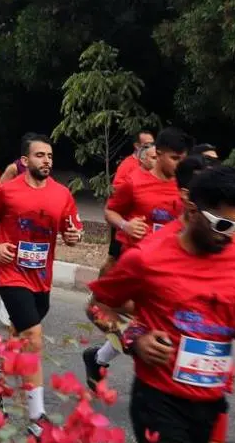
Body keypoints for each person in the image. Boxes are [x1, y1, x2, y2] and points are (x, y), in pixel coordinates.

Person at [87, 166, 235, 443]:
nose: (230, 236)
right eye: (222, 224)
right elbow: (96, 305)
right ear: (192, 211)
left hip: (211, 391)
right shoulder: (147, 257)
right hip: (159, 397)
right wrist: (134, 338)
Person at [0, 135, 82, 434]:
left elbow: (72, 231)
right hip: (12, 274)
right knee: (33, 337)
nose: (46, 160)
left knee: (18, 337)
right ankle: (37, 418)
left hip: (42, 278)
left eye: (49, 156)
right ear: (24, 161)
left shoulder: (62, 194)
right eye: (39, 155)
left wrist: (73, 237)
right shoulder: (7, 191)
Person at [83, 154, 215, 389]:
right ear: (186, 196)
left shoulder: (226, 244)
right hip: (138, 276)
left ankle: (99, 358)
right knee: (146, 322)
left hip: (196, 381)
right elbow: (97, 307)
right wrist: (135, 340)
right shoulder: (152, 247)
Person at [103, 127, 190, 273]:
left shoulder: (187, 186)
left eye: (183, 159)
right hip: (136, 263)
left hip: (169, 263)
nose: (180, 165)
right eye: (174, 158)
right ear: (158, 154)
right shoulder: (133, 182)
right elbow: (109, 212)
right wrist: (125, 225)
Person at [97, 129, 158, 273]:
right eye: (147, 145)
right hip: (123, 223)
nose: (151, 147)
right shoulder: (127, 166)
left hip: (143, 227)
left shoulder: (155, 168)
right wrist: (124, 223)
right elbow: (116, 195)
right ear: (137, 146)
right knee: (114, 259)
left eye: (153, 144)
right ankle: (99, 287)